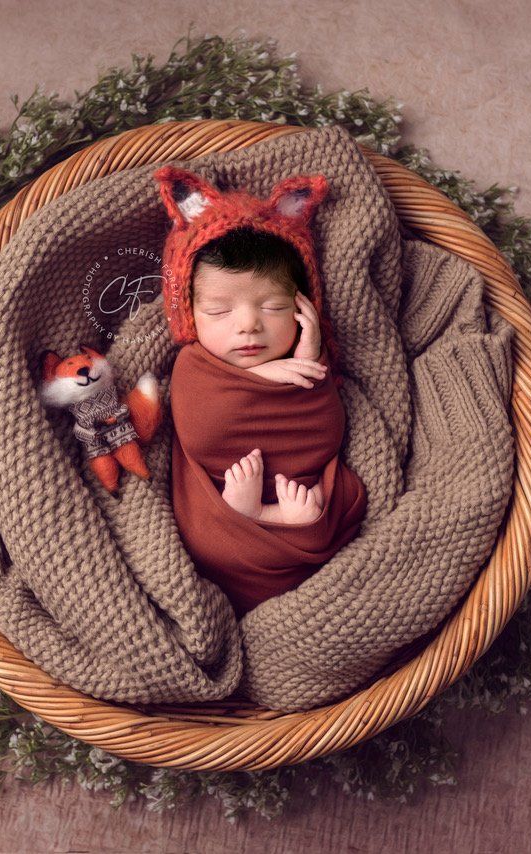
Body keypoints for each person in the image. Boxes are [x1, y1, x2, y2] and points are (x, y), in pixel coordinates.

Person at [154, 165, 368, 617]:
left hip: (300, 498)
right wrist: (267, 378)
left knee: (346, 499)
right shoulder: (194, 364)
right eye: (219, 311)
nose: (248, 324)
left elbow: (325, 436)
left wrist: (311, 363)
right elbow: (202, 435)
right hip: (218, 509)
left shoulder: (309, 358)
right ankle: (249, 517)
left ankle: (282, 523)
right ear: (190, 315)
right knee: (207, 540)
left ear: (302, 308)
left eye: (272, 307)